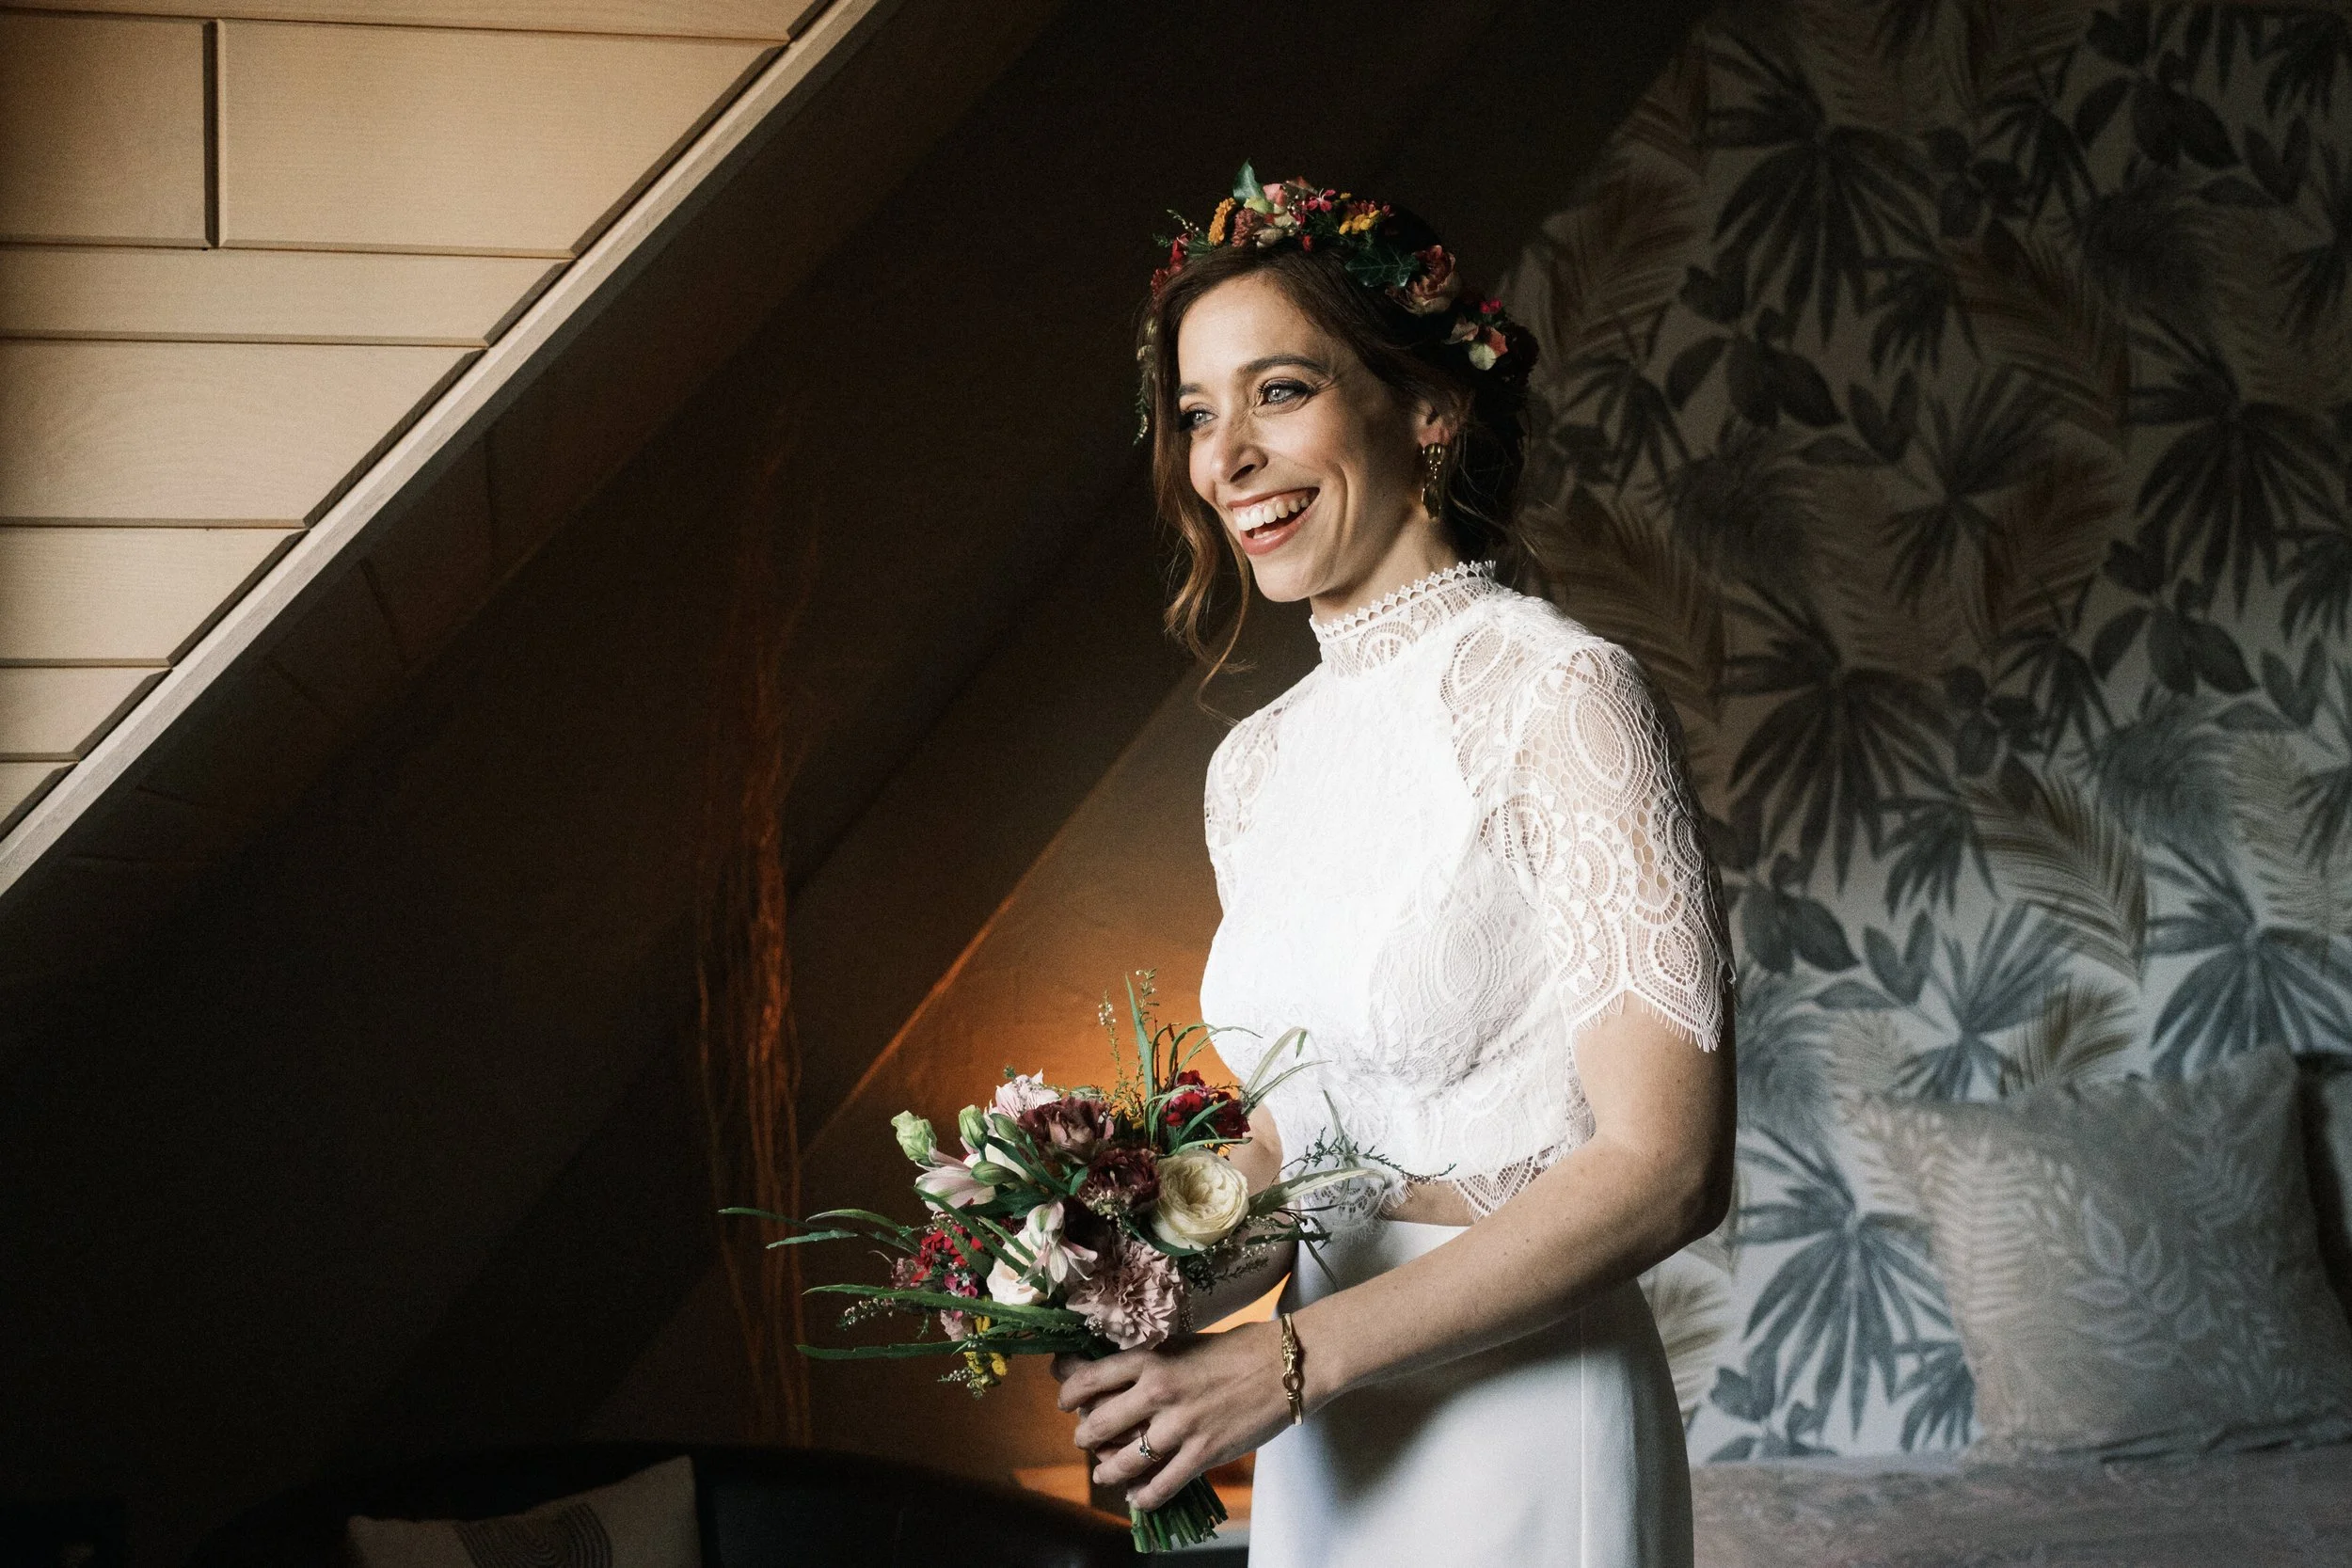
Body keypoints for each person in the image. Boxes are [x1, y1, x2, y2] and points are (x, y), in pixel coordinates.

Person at [1049, 167, 1738, 1567]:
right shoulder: (1252, 767)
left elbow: (1668, 1166)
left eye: (1279, 391)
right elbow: (1320, 1142)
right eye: (1196, 413)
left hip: (1524, 1418)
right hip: (1329, 1450)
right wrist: (1131, 1275)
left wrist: (1290, 1360)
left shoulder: (1565, 692)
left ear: (1428, 408)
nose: (1225, 455)